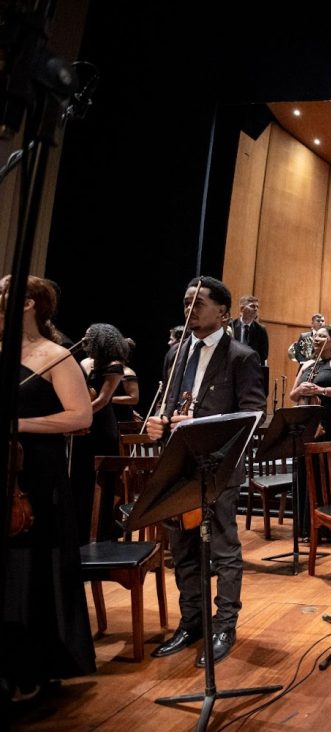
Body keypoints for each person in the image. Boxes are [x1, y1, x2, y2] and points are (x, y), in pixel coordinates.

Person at [146, 276, 266, 666]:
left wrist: (196, 424)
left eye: (199, 302)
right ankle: (192, 621)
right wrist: (160, 423)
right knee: (181, 547)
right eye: (186, 302)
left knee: (223, 548)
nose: (190, 309)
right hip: (177, 465)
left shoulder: (241, 356)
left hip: (218, 469)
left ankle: (225, 625)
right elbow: (166, 404)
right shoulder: (175, 353)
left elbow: (252, 416)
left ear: (223, 312)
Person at [1, 275, 95, 703]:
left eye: (5, 292)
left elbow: (80, 417)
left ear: (30, 304)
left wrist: (19, 425)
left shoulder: (55, 356)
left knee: (28, 568)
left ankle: (31, 667)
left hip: (34, 476)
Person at [73, 323, 128, 544]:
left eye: (89, 337)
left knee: (102, 479)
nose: (84, 340)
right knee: (83, 476)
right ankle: (83, 526)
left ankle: (103, 528)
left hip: (101, 425)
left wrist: (82, 416)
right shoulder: (92, 364)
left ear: (101, 340)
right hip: (88, 422)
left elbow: (103, 400)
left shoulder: (115, 366)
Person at [288, 326, 331, 442]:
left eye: (322, 336)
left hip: (330, 420)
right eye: (315, 336)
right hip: (306, 421)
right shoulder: (306, 364)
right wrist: (300, 390)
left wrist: (320, 390)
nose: (316, 338)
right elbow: (292, 396)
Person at [229, 295, 269, 364]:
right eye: (252, 306)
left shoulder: (261, 330)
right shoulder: (230, 326)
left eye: (257, 307)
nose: (256, 309)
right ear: (242, 309)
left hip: (251, 367)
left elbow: (264, 355)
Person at [110, 337, 141, 424]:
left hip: (120, 417)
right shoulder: (109, 371)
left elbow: (134, 398)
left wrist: (106, 399)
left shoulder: (127, 373)